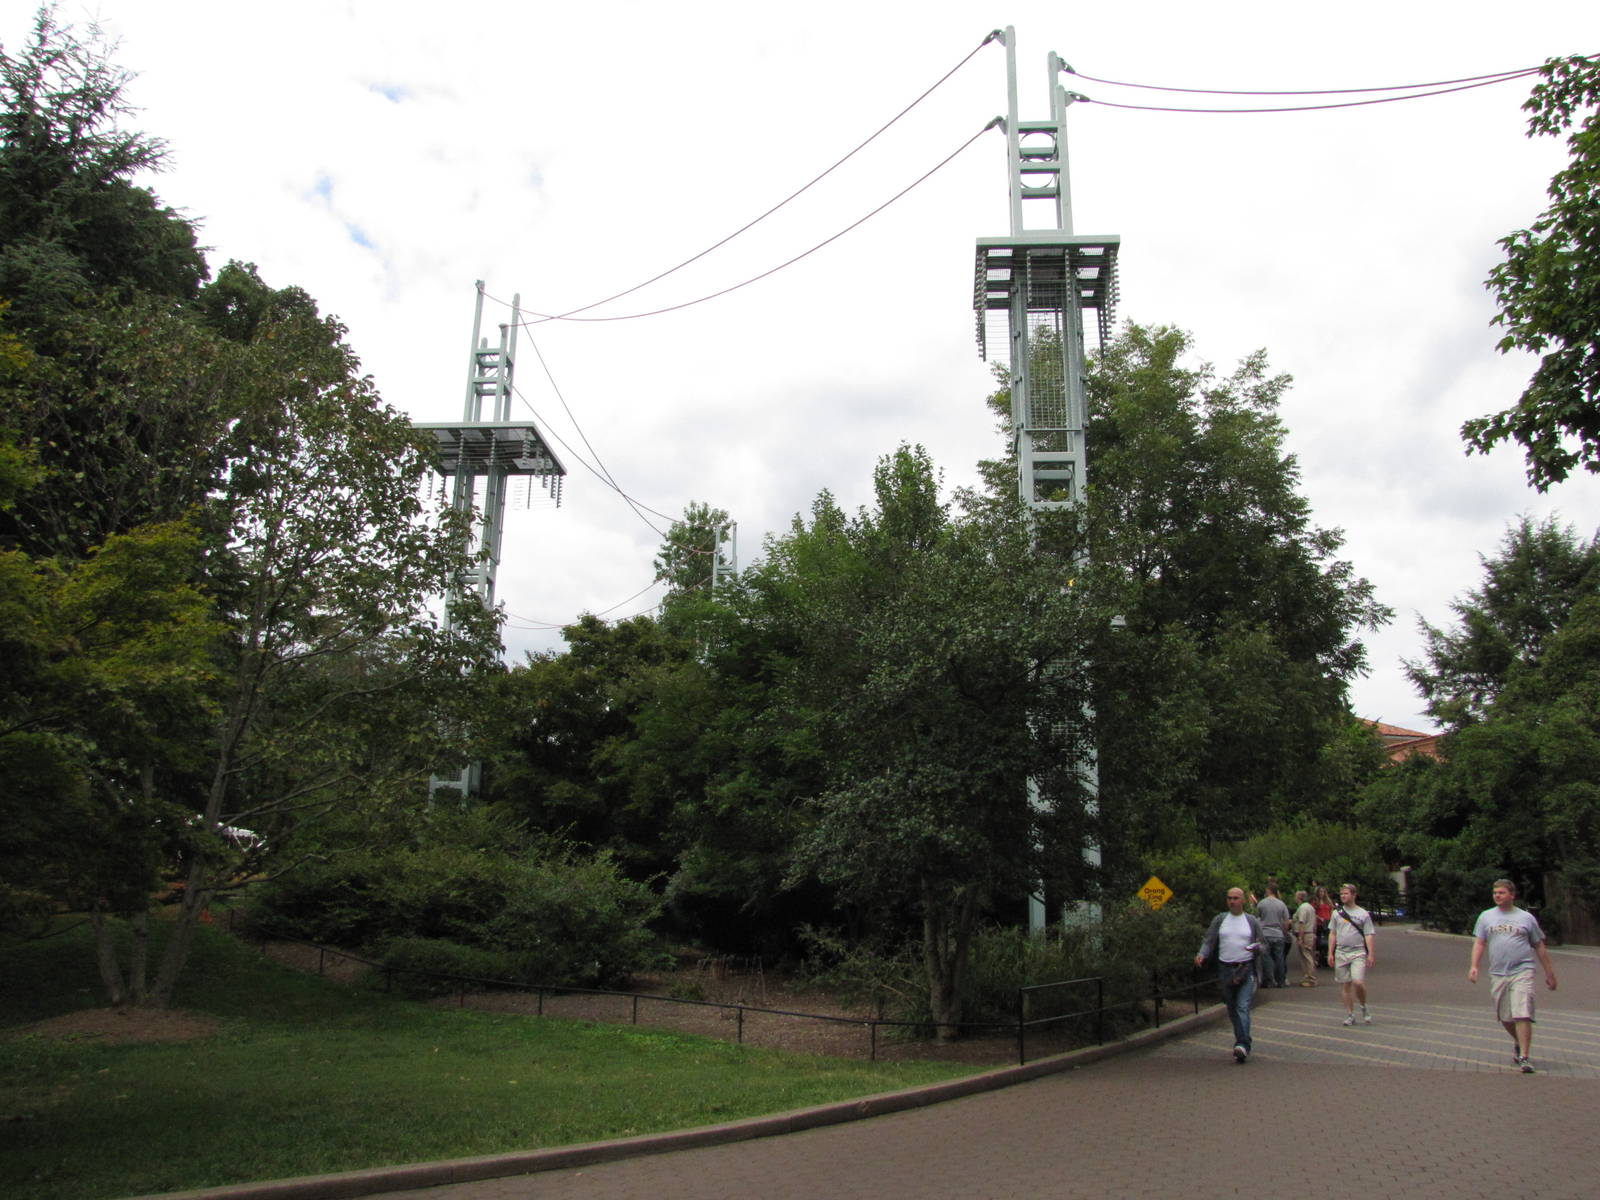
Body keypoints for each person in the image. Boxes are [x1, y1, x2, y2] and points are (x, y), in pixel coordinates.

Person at [1468, 878, 1558, 1073]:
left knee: (1522, 1012)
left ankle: (1524, 1057)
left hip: (1522, 970)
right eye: (1495, 893)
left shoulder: (1525, 918)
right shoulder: (1486, 917)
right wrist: (1474, 965)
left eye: (1501, 893)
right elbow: (1480, 942)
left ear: (1512, 895)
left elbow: (1539, 946)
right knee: (1506, 1017)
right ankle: (1518, 1040)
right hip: (1499, 972)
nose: (1497, 896)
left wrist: (1549, 973)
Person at [1195, 886, 1263, 1063]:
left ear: (1243, 901)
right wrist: (1202, 954)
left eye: (1236, 898)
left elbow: (1262, 944)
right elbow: (1209, 940)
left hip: (1245, 968)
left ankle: (1242, 1045)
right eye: (1229, 898)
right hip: (1225, 968)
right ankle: (1242, 1040)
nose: (1232, 901)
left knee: (1242, 1006)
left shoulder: (1251, 921)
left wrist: (1256, 948)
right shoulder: (1220, 919)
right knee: (1232, 1008)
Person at [1327, 882, 1376, 1025]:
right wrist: (1330, 953)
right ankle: (1350, 1014)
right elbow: (1333, 933)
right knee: (1345, 984)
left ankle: (1363, 1006)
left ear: (1354, 895)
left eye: (1346, 893)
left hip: (1358, 951)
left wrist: (1371, 954)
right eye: (1341, 894)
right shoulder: (1336, 913)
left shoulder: (1363, 914)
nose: (1343, 896)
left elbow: (1368, 934)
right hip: (1341, 952)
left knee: (1358, 982)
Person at [1254, 883, 1291, 988]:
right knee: (1280, 958)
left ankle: (1269, 981)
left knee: (1266, 958)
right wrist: (1284, 932)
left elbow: (1257, 918)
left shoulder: (1261, 903)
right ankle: (1281, 980)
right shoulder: (1281, 904)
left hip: (1265, 933)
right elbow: (1286, 921)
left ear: (1268, 891)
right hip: (1278, 934)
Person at [1291, 889, 1319, 986]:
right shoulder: (1311, 908)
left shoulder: (1303, 908)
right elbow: (1315, 922)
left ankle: (1310, 978)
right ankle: (1308, 976)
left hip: (1305, 934)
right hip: (1310, 933)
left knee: (1306, 956)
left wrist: (1300, 937)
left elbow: (1301, 923)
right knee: (1308, 955)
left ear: (1299, 897)